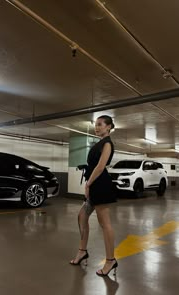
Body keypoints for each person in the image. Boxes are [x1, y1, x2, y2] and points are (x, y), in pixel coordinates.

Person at [70, 115, 118, 277]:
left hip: (100, 184)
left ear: (108, 127)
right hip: (94, 182)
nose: (96, 127)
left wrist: (88, 184)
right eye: (95, 125)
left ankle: (110, 260)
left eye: (100, 124)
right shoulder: (99, 142)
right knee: (82, 216)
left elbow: (100, 166)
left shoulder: (107, 144)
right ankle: (82, 251)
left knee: (105, 224)